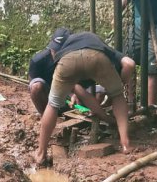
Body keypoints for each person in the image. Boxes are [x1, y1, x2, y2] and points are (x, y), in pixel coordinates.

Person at [35, 28, 132, 166]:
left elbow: (80, 92)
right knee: (118, 96)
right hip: (96, 56)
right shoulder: (95, 40)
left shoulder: (66, 45)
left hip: (67, 61)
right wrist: (117, 87)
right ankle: (125, 144)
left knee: (53, 105)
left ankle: (40, 154)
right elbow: (129, 64)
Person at [28, 31, 135, 115]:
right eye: (54, 50)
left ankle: (90, 112)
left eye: (60, 50)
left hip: (75, 92)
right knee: (36, 87)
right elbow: (32, 86)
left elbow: (77, 87)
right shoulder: (39, 61)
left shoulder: (79, 58)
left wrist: (73, 94)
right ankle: (46, 115)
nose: (56, 53)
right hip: (52, 94)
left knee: (100, 92)